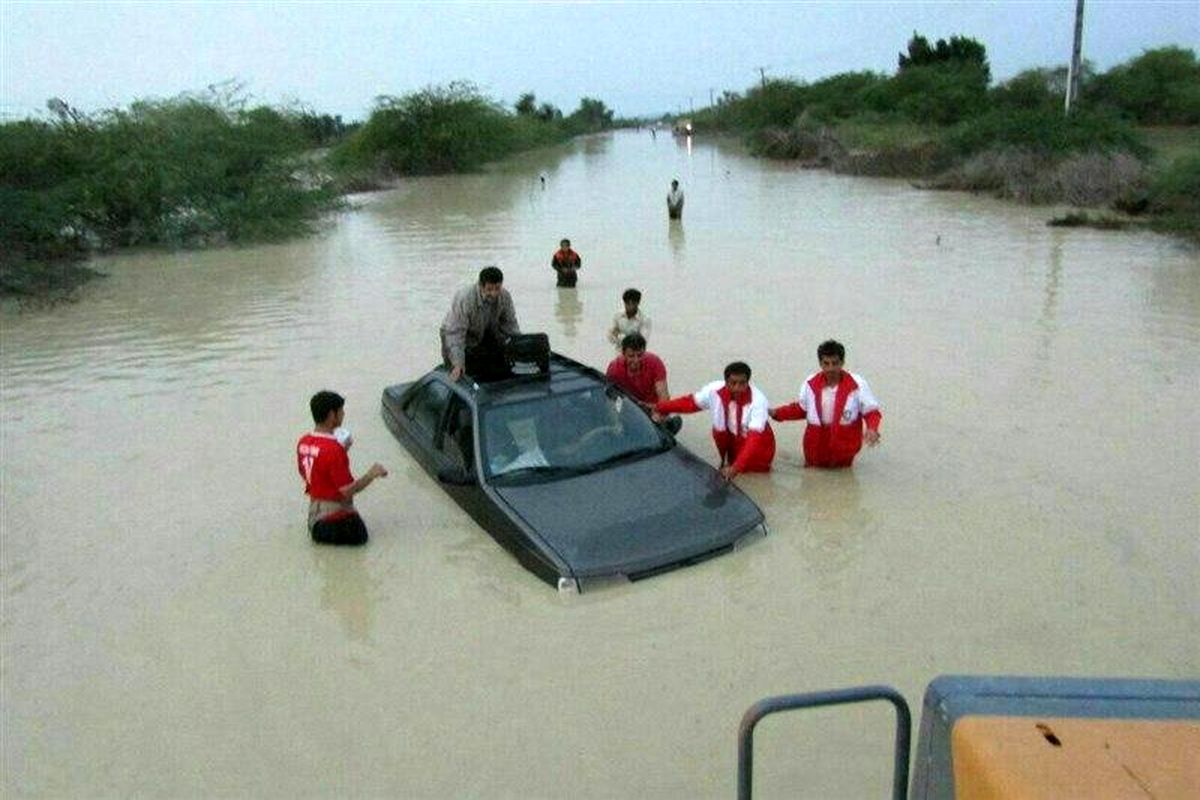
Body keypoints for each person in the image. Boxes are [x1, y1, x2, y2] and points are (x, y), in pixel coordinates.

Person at [769, 339, 882, 468]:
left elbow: (872, 412)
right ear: (820, 364)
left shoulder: (858, 384)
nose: (831, 368)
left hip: (845, 448)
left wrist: (872, 429)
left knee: (843, 481)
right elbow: (801, 409)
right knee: (812, 480)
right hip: (815, 447)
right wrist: (776, 413)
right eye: (826, 363)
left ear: (842, 363)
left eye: (835, 363)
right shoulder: (809, 383)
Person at [654, 361, 775, 480]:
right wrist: (658, 407)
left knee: (755, 480)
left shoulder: (758, 401)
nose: (737, 388)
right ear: (726, 382)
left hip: (758, 449)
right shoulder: (713, 391)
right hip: (732, 442)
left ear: (748, 383)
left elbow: (754, 440)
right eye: (733, 383)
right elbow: (690, 403)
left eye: (742, 383)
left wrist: (735, 468)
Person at [296, 390, 388, 545]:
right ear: (332, 415)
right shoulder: (334, 450)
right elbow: (347, 490)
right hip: (336, 523)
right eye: (341, 411)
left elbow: (314, 473)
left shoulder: (303, 442)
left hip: (315, 518)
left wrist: (342, 451)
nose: (344, 414)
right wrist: (371, 474)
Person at [440, 266, 521, 382]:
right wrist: (458, 364)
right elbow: (456, 334)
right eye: (489, 289)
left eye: (497, 288)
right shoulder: (465, 298)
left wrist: (521, 346)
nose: (493, 294)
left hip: (484, 330)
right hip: (453, 333)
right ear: (480, 286)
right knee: (458, 374)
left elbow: (510, 325)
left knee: (493, 368)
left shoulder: (505, 296)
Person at [606, 333, 669, 406]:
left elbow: (664, 397)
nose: (636, 360)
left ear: (644, 352)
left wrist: (658, 415)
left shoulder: (655, 363)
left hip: (653, 408)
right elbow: (609, 399)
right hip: (630, 409)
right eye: (631, 356)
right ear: (623, 354)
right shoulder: (614, 369)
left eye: (639, 355)